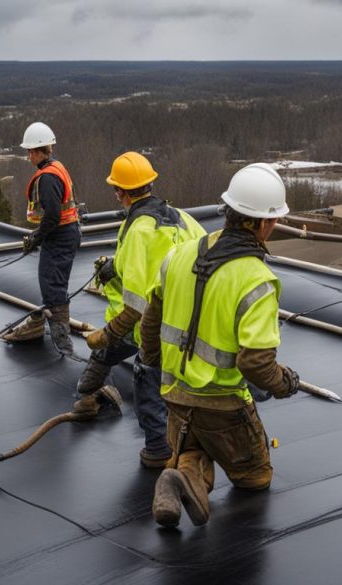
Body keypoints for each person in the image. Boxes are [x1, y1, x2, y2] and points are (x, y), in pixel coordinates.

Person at [140, 163, 301, 528]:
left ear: (227, 211)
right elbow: (256, 364)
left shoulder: (179, 255)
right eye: (273, 221)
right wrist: (283, 383)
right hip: (225, 408)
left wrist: (152, 361)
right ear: (262, 223)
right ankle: (188, 474)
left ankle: (185, 472)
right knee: (255, 477)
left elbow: (151, 320)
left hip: (175, 397)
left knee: (193, 443)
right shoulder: (257, 280)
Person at [78, 152, 207, 468]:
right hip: (185, 322)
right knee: (112, 362)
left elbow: (135, 306)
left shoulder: (137, 231)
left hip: (145, 327)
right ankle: (87, 396)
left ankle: (157, 451)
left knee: (146, 379)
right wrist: (115, 267)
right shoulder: (181, 218)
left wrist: (106, 335)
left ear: (120, 192)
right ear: (150, 183)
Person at [0, 122, 82, 355]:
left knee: (52, 285)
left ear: (38, 151)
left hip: (60, 236)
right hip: (68, 232)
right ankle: (55, 331)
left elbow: (53, 215)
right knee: (54, 283)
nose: (28, 157)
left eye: (30, 152)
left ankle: (62, 344)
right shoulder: (58, 167)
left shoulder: (47, 177)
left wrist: (36, 236)